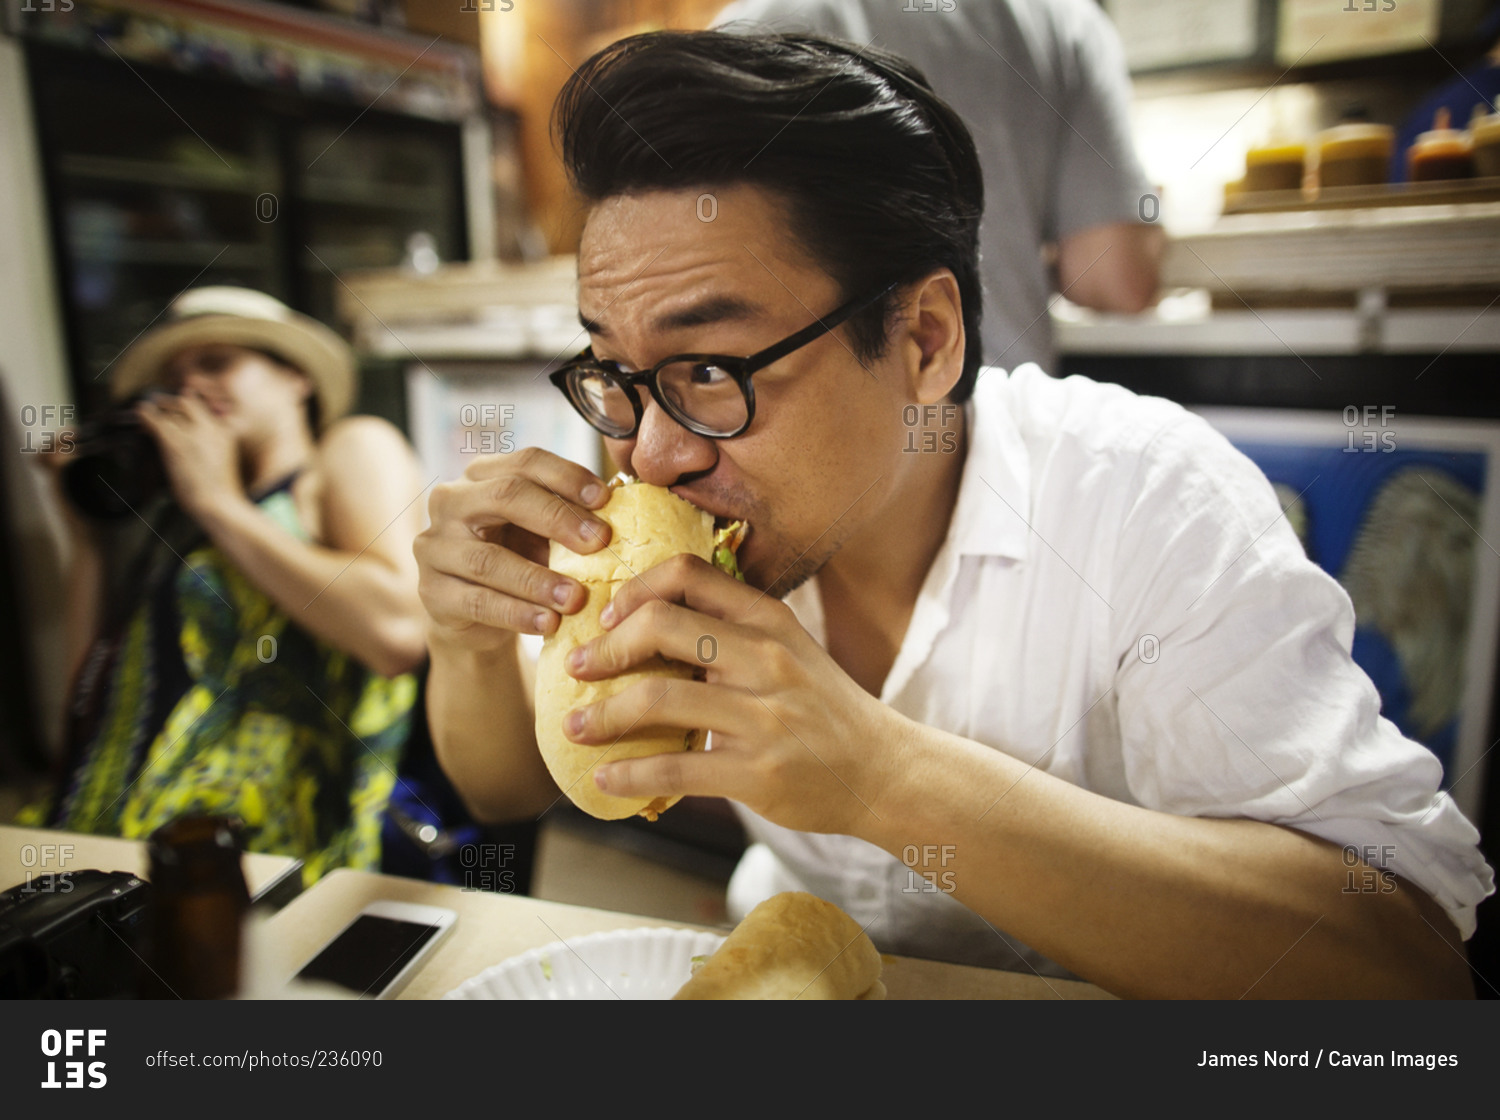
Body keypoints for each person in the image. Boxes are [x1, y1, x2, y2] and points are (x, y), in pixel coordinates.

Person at [415, 31, 1492, 997]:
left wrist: (884, 776)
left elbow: (1406, 967)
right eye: (614, 369)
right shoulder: (668, 472)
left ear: (924, 339)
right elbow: (506, 787)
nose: (651, 450)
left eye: (708, 366)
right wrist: (464, 639)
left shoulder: (1144, 499)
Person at [28, 287, 428, 883]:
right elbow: (87, 702)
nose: (189, 388)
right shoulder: (177, 515)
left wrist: (219, 503)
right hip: (96, 829)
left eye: (216, 363)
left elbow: (398, 631)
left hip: (236, 853)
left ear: (297, 378)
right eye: (173, 381)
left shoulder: (344, 454)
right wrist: (88, 541)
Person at [714, 0, 1164, 376]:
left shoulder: (751, 31)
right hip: (1005, 420)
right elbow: (1117, 280)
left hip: (831, 442)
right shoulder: (1063, 20)